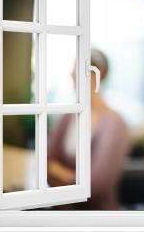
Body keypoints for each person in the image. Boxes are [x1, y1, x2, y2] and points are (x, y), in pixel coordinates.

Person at [47, 48, 130, 210]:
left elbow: (95, 188)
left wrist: (59, 173)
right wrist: (76, 180)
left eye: (78, 67)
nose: (72, 73)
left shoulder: (115, 124)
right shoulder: (68, 116)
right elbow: (46, 164)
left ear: (100, 74)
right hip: (60, 213)